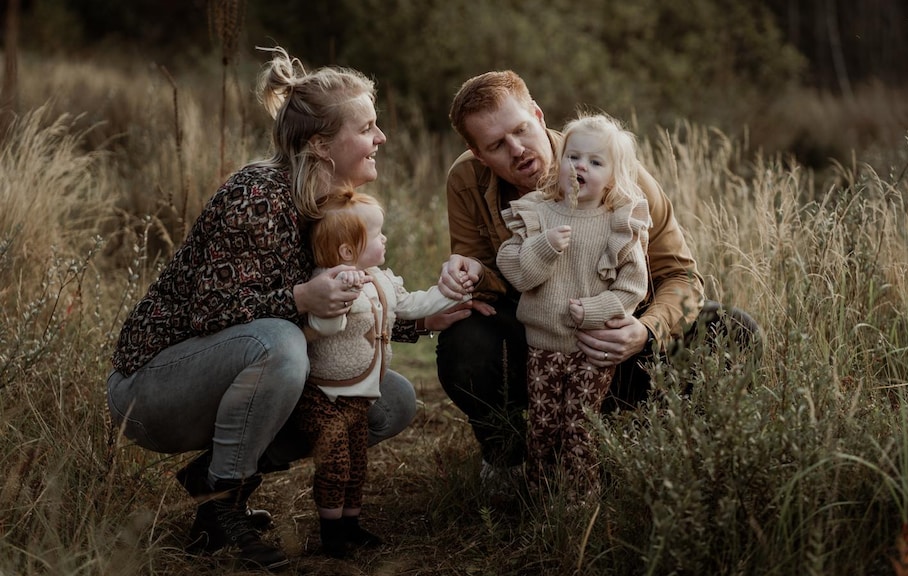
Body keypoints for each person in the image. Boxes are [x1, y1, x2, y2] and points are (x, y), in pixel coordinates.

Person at [105, 47, 418, 571]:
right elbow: (211, 310)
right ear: (320, 145)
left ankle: (215, 483)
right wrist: (299, 299)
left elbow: (362, 303)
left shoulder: (338, 211)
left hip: (230, 372)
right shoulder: (257, 195)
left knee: (391, 401)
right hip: (154, 389)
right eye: (367, 128)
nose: (380, 139)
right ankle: (223, 506)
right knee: (281, 343)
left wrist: (436, 316)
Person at [426, 70, 761, 494]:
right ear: (477, 153)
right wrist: (469, 272)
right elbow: (484, 276)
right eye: (496, 145)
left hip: (617, 342)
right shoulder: (466, 180)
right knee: (463, 337)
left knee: (733, 329)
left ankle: (668, 451)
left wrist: (646, 330)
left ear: (537, 114)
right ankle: (507, 455)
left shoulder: (615, 166)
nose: (517, 150)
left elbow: (682, 276)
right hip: (538, 344)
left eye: (521, 130)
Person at [296, 188, 477, 558]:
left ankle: (351, 523)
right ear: (348, 252)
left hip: (360, 397)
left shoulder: (380, 279)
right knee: (335, 465)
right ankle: (331, 537)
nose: (385, 239)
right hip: (326, 395)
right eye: (378, 235)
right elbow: (322, 328)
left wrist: (454, 293)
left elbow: (412, 305)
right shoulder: (328, 283)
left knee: (358, 463)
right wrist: (340, 300)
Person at [496, 113, 650, 497]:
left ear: (612, 176)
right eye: (573, 157)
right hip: (542, 346)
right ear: (560, 161)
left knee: (579, 424)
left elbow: (634, 288)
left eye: (596, 162)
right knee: (544, 423)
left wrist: (597, 310)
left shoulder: (618, 221)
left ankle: (581, 499)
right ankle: (541, 495)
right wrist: (544, 246)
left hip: (591, 349)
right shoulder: (537, 211)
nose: (581, 166)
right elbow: (515, 271)